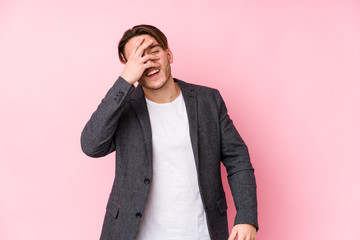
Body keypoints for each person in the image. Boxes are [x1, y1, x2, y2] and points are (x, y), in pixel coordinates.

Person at [81, 24, 258, 240]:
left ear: (169, 54)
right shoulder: (123, 109)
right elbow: (91, 145)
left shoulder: (208, 100)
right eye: (138, 58)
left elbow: (238, 159)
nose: (148, 61)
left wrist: (247, 217)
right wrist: (125, 81)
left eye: (153, 51)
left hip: (201, 232)